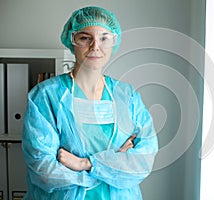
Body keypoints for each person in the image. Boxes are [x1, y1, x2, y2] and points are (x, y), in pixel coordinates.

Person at [22, 6, 158, 200]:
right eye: (85, 38)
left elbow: (141, 163)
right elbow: (44, 170)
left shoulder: (128, 97)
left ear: (114, 41)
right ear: (72, 41)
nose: (95, 46)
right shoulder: (46, 96)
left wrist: (85, 163)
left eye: (104, 38)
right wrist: (113, 165)